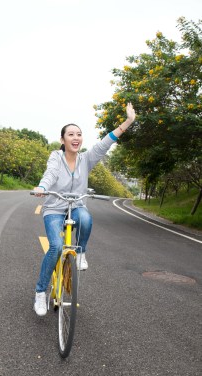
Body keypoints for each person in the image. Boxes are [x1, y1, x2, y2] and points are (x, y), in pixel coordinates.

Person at [33, 103, 136, 316]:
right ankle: (40, 292)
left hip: (76, 206)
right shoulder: (55, 157)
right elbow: (51, 173)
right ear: (63, 140)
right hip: (54, 208)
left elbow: (106, 143)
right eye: (71, 134)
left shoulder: (86, 159)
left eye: (79, 134)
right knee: (56, 247)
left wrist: (128, 122)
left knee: (86, 219)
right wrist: (43, 187)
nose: (75, 137)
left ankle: (80, 253)